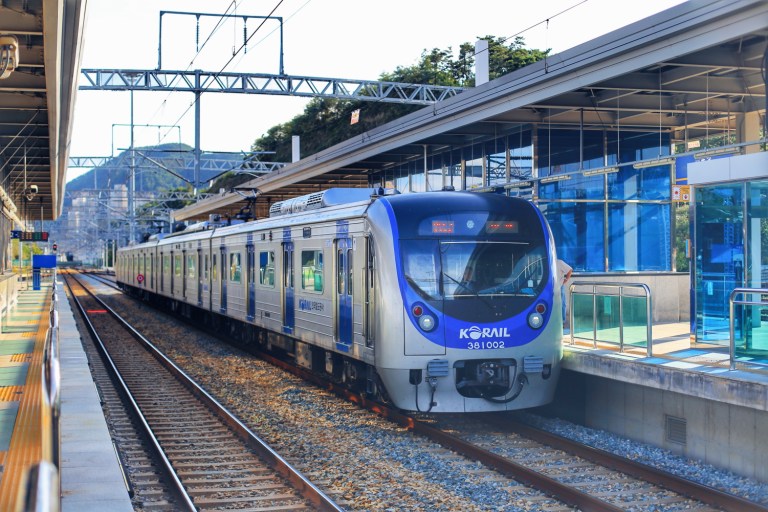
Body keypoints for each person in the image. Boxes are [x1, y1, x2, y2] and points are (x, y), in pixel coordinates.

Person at [556, 259, 573, 326]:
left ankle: (562, 321)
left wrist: (566, 280)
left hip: (559, 285)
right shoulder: (547, 261)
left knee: (562, 303)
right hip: (549, 286)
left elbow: (570, 270)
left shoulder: (559, 262)